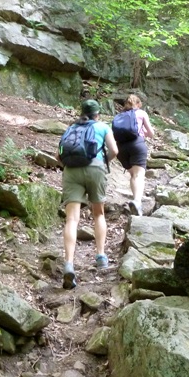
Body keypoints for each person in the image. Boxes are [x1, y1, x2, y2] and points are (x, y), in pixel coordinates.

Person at [59, 99, 118, 290]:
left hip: (71, 170)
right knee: (98, 213)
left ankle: (69, 263)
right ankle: (101, 256)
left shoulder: (72, 128)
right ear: (97, 113)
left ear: (81, 112)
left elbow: (58, 155)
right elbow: (114, 151)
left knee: (71, 219)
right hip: (95, 169)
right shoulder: (102, 126)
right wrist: (101, 163)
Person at [115, 94, 155, 217]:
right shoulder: (141, 113)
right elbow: (151, 133)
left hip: (121, 147)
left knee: (133, 174)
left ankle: (135, 199)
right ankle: (137, 201)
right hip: (137, 144)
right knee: (139, 175)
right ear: (137, 104)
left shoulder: (119, 116)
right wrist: (143, 133)